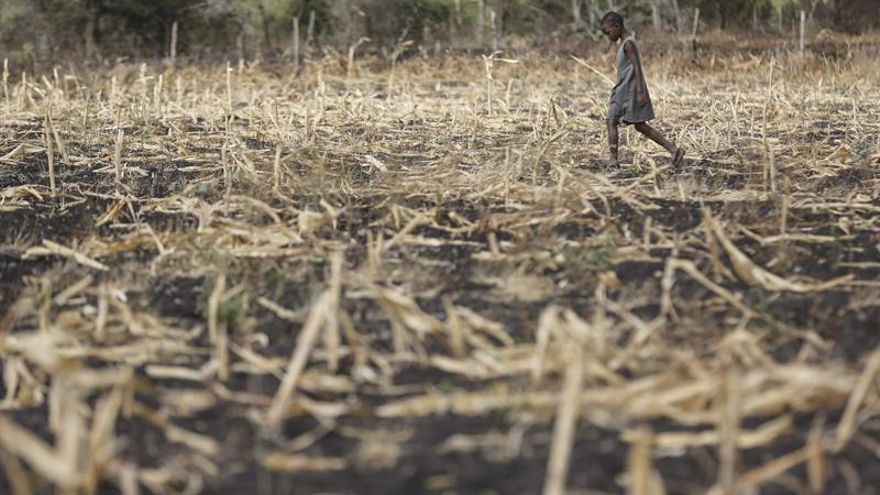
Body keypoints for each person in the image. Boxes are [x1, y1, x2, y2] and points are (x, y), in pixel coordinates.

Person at [601, 11, 685, 168]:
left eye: (608, 32)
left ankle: (614, 160)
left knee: (618, 121)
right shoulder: (623, 43)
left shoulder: (628, 44)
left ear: (617, 26)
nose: (608, 36)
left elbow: (637, 67)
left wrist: (640, 92)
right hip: (623, 89)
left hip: (630, 90)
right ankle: (673, 150)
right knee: (629, 123)